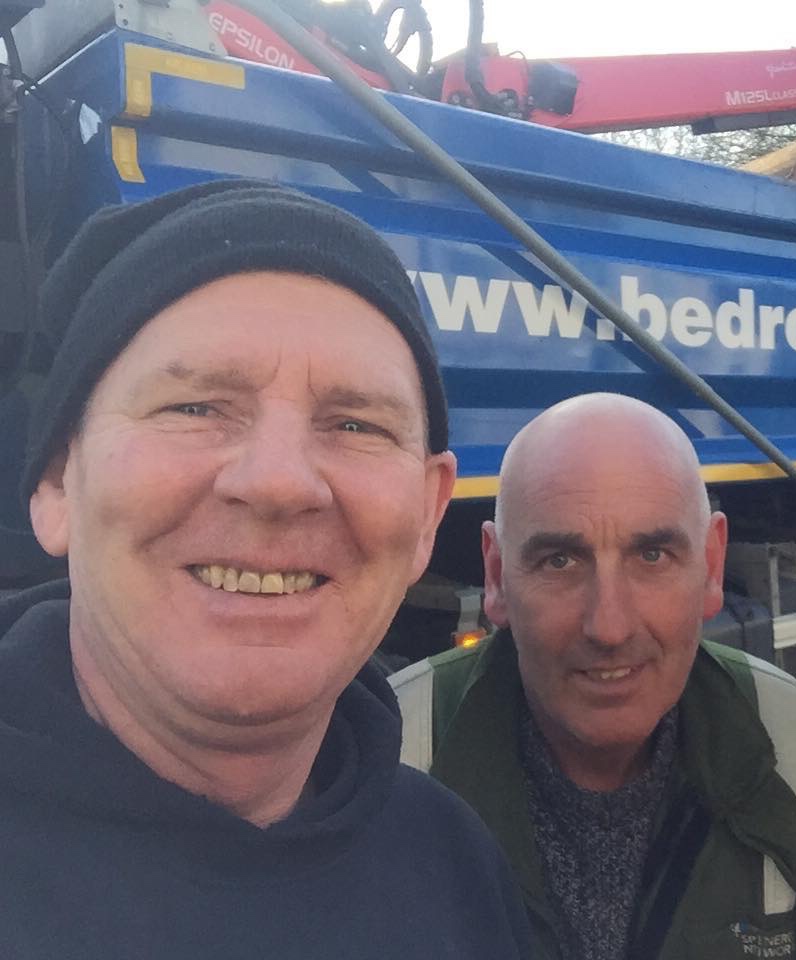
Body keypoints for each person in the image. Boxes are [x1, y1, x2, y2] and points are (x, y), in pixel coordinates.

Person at [0, 180, 532, 959]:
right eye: (194, 408)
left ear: (427, 513)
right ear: (55, 481)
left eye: (356, 424)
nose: (279, 482)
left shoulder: (455, 864)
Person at [390, 392, 796, 960]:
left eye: (652, 557)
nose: (610, 626)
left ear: (712, 565)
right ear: (496, 575)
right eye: (560, 561)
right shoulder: (385, 761)